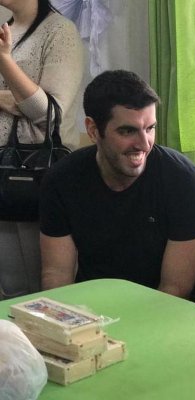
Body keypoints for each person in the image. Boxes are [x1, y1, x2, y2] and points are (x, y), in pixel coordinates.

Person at [40, 69, 195, 298]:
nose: (143, 143)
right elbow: (56, 276)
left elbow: (174, 290)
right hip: (88, 311)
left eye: (150, 128)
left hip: (159, 312)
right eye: (128, 131)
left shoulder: (185, 182)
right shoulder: (61, 180)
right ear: (92, 130)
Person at [0, 0, 84, 298]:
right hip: (4, 170)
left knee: (45, 290)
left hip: (42, 172)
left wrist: (5, 61)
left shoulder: (60, 32)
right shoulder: (6, 30)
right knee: (10, 287)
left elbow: (47, 113)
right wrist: (13, 97)